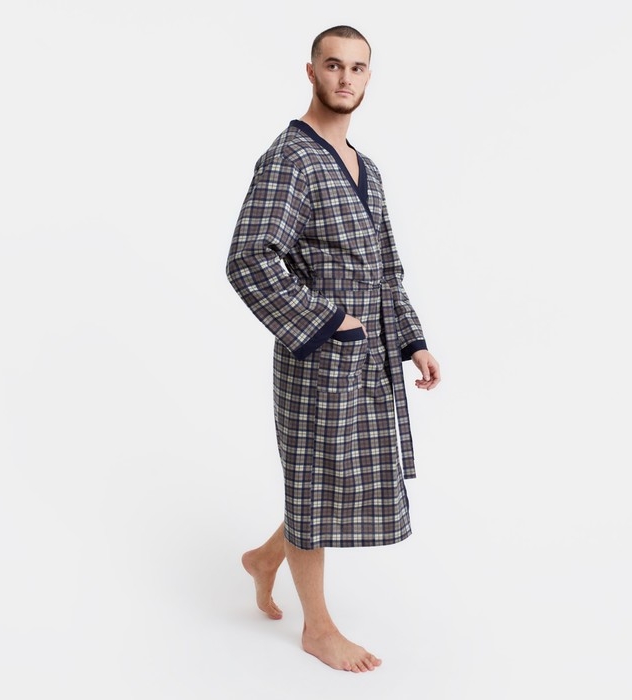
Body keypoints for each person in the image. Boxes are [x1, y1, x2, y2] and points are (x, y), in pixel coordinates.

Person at [225, 25, 441, 673]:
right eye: (333, 65)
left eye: (357, 68)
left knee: (334, 482)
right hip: (316, 357)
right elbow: (249, 257)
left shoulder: (365, 168)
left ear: (368, 77)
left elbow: (387, 269)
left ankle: (265, 559)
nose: (345, 78)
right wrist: (326, 321)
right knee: (314, 485)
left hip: (368, 356)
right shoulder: (290, 158)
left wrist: (413, 340)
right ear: (311, 71)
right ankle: (317, 629)